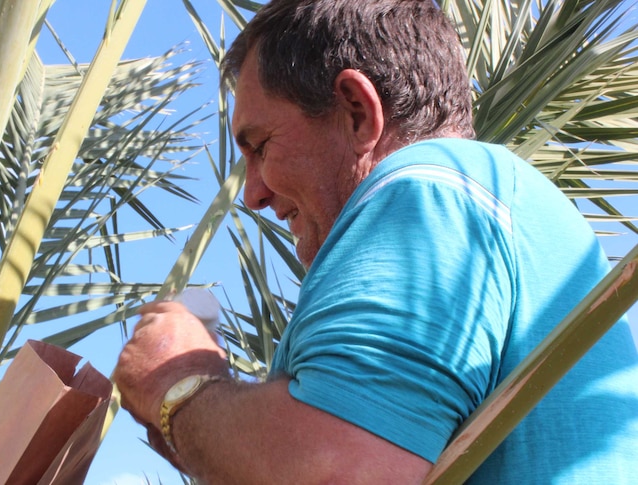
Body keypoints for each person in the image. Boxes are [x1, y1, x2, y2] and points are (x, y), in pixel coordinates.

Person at [113, 0, 638, 483]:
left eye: (260, 146)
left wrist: (179, 383)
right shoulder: (492, 199)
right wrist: (197, 425)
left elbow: (342, 469)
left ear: (357, 111)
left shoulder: (428, 188)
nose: (252, 194)